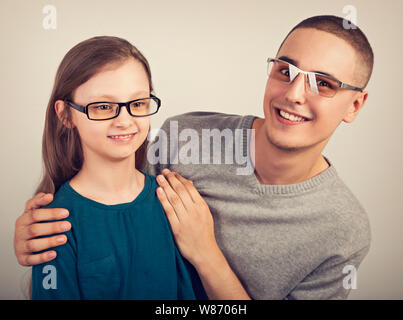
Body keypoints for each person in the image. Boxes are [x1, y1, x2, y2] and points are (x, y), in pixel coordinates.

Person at [15, 15, 373, 299]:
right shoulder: (182, 140)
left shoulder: (344, 232)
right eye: (286, 71)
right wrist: (35, 234)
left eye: (323, 83)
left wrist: (206, 254)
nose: (295, 94)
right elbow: (107, 197)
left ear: (354, 106)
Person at [27, 36, 208, 299]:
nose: (125, 121)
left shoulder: (172, 200)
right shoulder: (54, 222)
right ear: (65, 114)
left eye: (137, 104)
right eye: (103, 107)